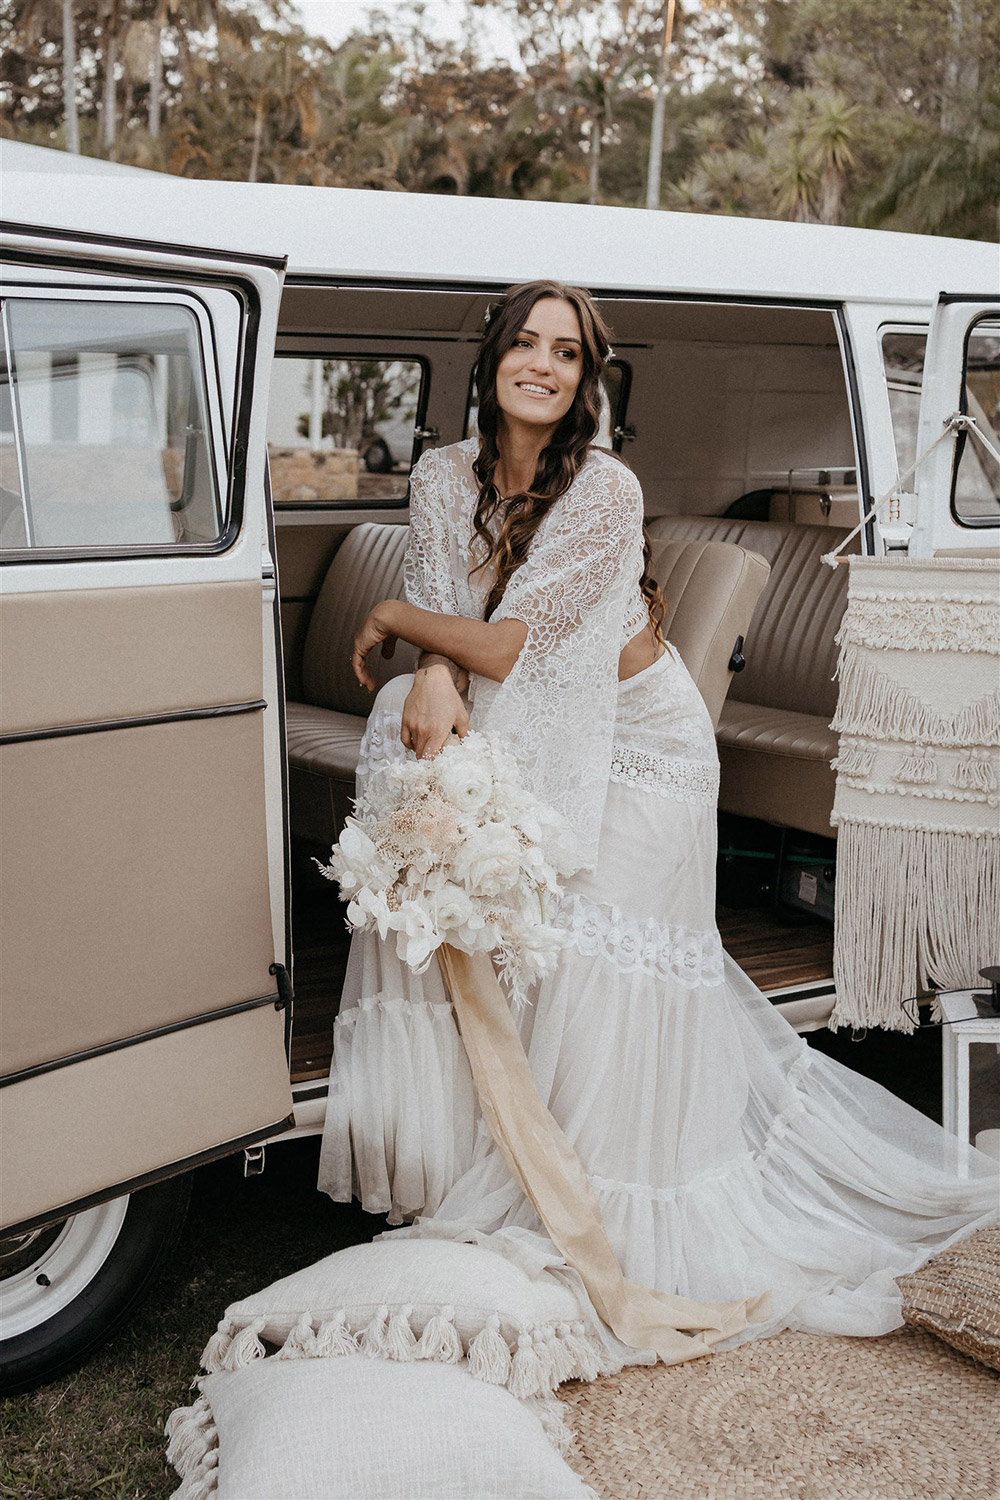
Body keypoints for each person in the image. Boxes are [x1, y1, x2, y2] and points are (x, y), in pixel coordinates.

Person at [318, 279, 996, 1347]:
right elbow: (454, 602)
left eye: (567, 353)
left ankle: (614, 1221)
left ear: (588, 381)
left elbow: (511, 644)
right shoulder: (444, 474)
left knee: (601, 970)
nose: (543, 365)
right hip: (534, 718)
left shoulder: (606, 490)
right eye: (525, 343)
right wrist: (431, 665)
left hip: (640, 743)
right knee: (534, 949)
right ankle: (524, 1175)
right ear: (491, 359)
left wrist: (400, 622)